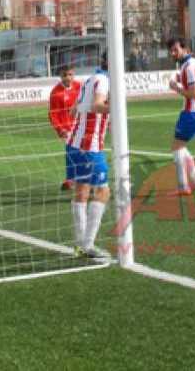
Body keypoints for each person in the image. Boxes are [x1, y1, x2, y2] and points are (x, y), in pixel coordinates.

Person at [67, 55, 111, 259]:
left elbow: (73, 110)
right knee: (103, 191)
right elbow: (96, 105)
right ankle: (88, 245)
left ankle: (80, 245)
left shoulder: (89, 80)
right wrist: (116, 109)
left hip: (74, 144)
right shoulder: (103, 81)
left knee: (82, 191)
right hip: (89, 146)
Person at [167, 37, 195, 195]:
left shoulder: (188, 66)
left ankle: (183, 186)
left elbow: (194, 94)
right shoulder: (194, 63)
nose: (173, 53)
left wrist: (175, 87)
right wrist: (183, 79)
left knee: (176, 146)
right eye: (171, 51)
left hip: (192, 112)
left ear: (185, 49)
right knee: (180, 145)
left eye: (176, 50)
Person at [48, 66, 82, 191]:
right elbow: (52, 114)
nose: (68, 77)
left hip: (81, 125)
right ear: (60, 76)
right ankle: (70, 179)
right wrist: (59, 129)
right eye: (65, 75)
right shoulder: (56, 93)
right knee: (71, 152)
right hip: (67, 129)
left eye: (70, 74)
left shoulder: (79, 87)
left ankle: (80, 178)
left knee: (84, 152)